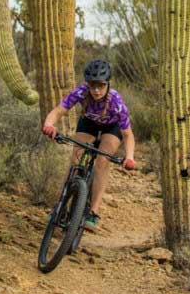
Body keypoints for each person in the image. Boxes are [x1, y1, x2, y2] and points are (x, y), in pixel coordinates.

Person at [42, 59, 136, 231]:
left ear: (107, 83)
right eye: (92, 85)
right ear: (88, 83)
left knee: (102, 161)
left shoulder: (117, 102)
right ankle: (61, 203)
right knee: (75, 160)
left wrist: (129, 157)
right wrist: (49, 124)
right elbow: (59, 111)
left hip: (111, 128)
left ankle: (93, 212)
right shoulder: (81, 92)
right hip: (89, 123)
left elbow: (128, 135)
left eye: (100, 85)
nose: (96, 90)